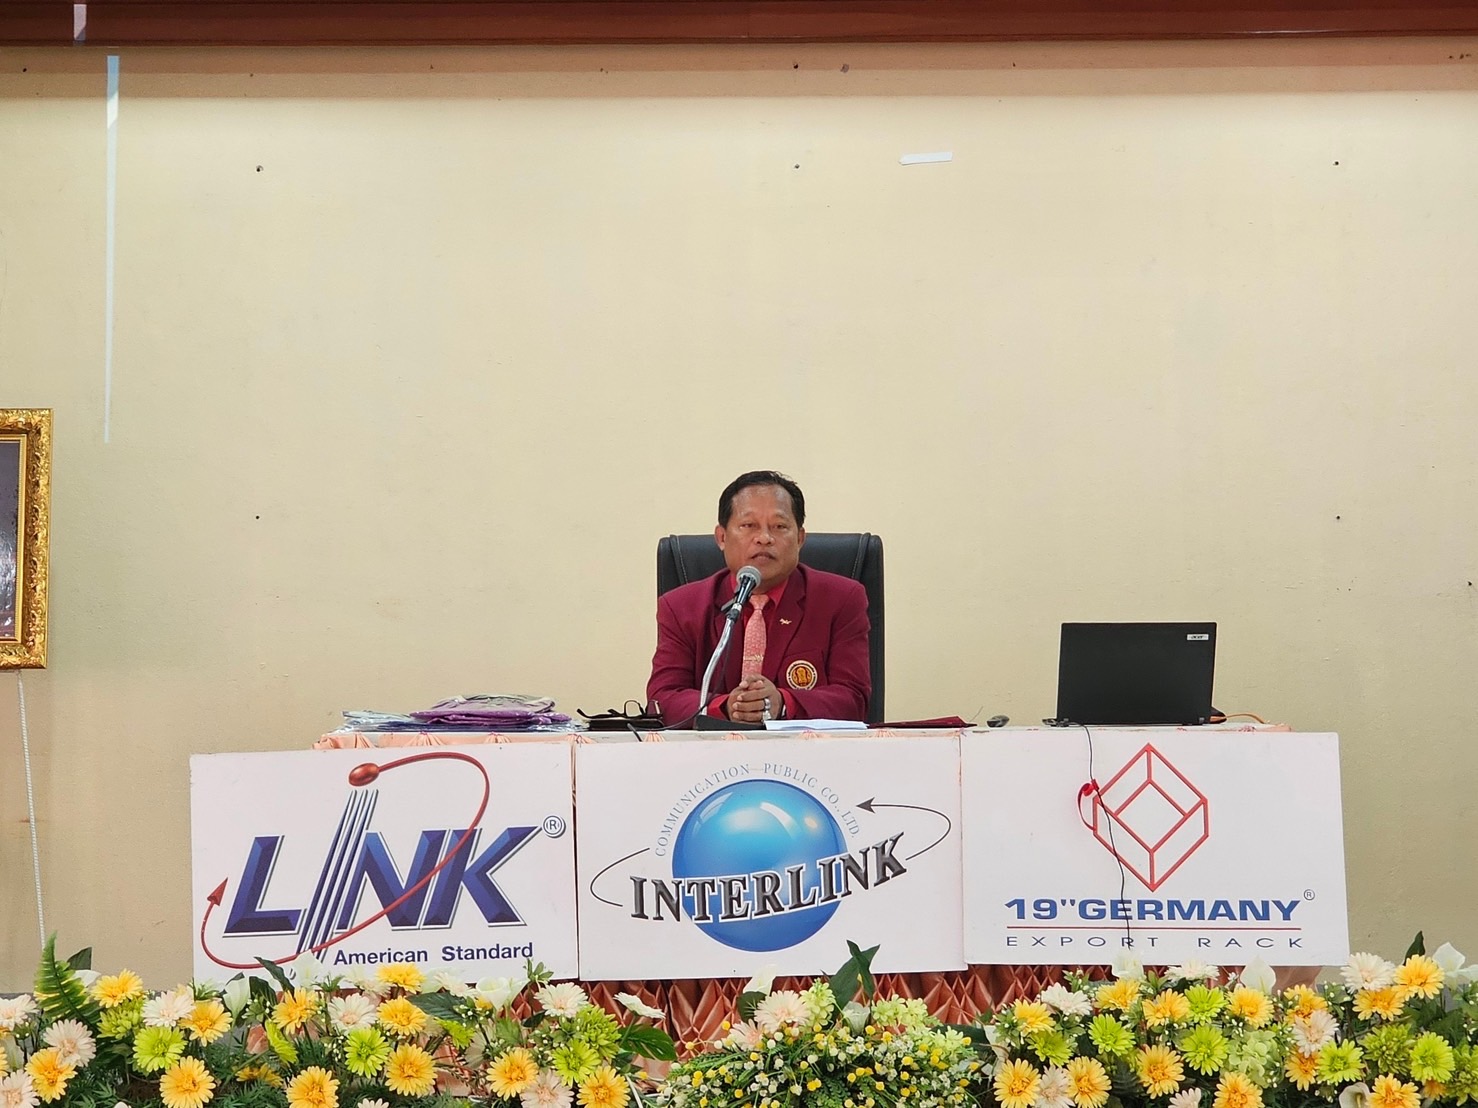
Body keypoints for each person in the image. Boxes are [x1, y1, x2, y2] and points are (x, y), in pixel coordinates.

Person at [646, 470, 871, 726]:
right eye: (748, 525)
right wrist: (725, 707)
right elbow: (661, 700)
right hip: (711, 749)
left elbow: (854, 700)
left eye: (779, 526)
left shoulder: (841, 600)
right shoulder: (681, 607)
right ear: (721, 537)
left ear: (800, 538)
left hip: (806, 748)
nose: (764, 538)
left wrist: (783, 703)